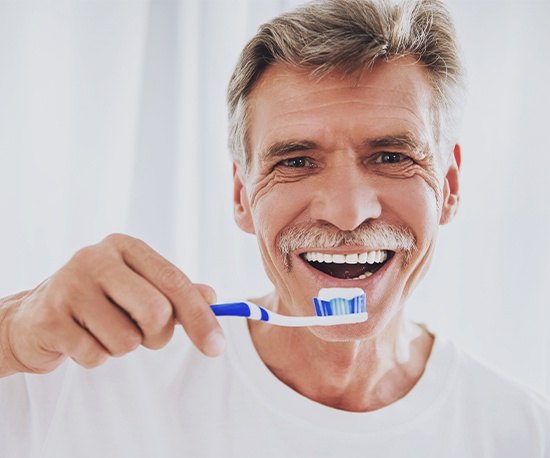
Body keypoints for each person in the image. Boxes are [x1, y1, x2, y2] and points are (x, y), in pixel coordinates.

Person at [0, 0, 549, 456]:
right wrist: (12, 336)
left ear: (449, 185)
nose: (347, 212)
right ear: (242, 194)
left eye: (389, 155)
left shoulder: (522, 434)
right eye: (295, 161)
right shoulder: (89, 376)